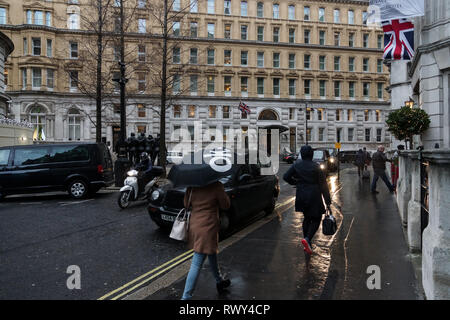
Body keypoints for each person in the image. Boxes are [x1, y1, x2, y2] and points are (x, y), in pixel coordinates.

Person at [181, 181, 231, 300]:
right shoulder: (216, 185)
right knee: (197, 261)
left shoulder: (192, 185)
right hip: (208, 226)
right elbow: (226, 205)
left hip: (195, 224)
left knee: (211, 252)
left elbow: (186, 204)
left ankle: (219, 281)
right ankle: (186, 297)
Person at [283, 145, 332, 255]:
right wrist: (328, 201)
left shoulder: (297, 165)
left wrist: (296, 182)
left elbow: (286, 177)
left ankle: (307, 244)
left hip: (301, 194)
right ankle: (308, 239)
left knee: (307, 218)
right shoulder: (316, 166)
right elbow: (323, 185)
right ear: (311, 154)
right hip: (314, 195)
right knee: (316, 218)